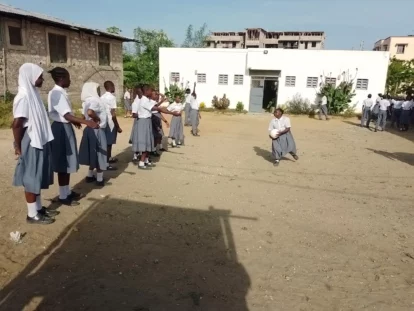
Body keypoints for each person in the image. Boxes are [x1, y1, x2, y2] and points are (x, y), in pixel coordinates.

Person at [12, 63, 57, 225]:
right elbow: (17, 124)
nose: (42, 79)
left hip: (38, 139)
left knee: (37, 175)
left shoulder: (33, 94)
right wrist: (18, 146)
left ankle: (38, 208)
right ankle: (32, 214)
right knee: (31, 176)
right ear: (30, 77)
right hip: (31, 141)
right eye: (39, 76)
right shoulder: (23, 97)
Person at [48, 67, 98, 206]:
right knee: (64, 162)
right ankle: (63, 196)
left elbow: (66, 115)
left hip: (64, 127)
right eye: (69, 78)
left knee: (67, 162)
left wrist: (75, 122)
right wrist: (86, 121)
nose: (70, 80)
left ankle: (66, 192)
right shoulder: (57, 93)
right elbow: (66, 115)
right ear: (62, 78)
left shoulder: (61, 92)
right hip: (60, 129)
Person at [135, 85, 179, 170]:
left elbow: (159, 107)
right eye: (151, 91)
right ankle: (141, 163)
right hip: (144, 122)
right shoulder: (144, 101)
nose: (152, 93)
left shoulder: (147, 100)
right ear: (147, 91)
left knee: (149, 141)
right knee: (146, 142)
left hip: (147, 121)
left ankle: (146, 160)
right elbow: (159, 109)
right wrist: (173, 113)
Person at [79, 82, 107, 186]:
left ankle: (90, 175)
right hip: (97, 129)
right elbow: (90, 112)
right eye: (97, 89)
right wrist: (96, 118)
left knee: (92, 152)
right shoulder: (95, 100)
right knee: (99, 153)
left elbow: (84, 116)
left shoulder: (86, 101)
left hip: (89, 129)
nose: (99, 91)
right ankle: (99, 179)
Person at [101, 81, 122, 170]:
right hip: (110, 123)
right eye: (113, 86)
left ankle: (107, 159)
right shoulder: (112, 98)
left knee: (105, 142)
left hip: (103, 121)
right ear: (111, 87)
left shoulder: (101, 97)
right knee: (109, 143)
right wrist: (117, 126)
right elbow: (113, 114)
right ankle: (106, 164)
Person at [150, 91, 169, 157]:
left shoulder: (155, 102)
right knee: (155, 135)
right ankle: (153, 150)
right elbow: (157, 108)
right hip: (153, 119)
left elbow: (159, 113)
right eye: (155, 95)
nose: (156, 96)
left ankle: (159, 147)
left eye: (156, 95)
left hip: (157, 119)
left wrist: (158, 93)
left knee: (159, 135)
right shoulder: (149, 102)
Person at [130, 86, 143, 162]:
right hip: (138, 121)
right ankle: (135, 154)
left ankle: (141, 153)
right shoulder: (136, 102)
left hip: (143, 120)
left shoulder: (144, 100)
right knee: (137, 137)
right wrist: (142, 114)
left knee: (142, 138)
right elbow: (134, 114)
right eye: (140, 92)